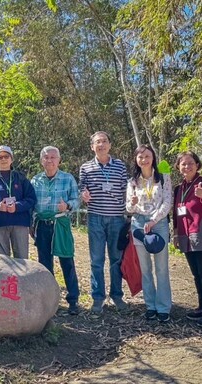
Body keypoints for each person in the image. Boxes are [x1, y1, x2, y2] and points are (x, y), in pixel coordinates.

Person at [79, 131, 128, 314]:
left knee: (116, 259)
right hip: (95, 218)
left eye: (104, 141)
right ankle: (98, 298)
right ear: (92, 146)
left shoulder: (120, 166)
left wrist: (130, 213)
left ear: (110, 145)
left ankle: (117, 295)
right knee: (97, 260)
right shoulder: (86, 167)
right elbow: (82, 187)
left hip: (116, 218)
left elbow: (126, 190)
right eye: (97, 142)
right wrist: (83, 194)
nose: (101, 144)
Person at [173, 151, 202, 328]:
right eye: (183, 164)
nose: (187, 166)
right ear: (178, 167)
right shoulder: (179, 188)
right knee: (196, 273)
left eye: (190, 163)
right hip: (187, 236)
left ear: (197, 165)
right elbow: (176, 212)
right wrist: (176, 233)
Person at [31, 146, 80, 314]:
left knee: (67, 260)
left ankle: (73, 300)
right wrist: (32, 225)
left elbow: (77, 199)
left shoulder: (68, 179)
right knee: (44, 263)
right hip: (42, 224)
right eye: (46, 157)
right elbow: (31, 204)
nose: (49, 160)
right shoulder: (35, 180)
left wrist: (67, 205)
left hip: (60, 223)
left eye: (53, 157)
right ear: (41, 160)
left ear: (59, 160)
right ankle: (49, 301)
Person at [126, 145, 172, 322]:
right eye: (140, 157)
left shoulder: (162, 177)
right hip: (138, 224)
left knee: (161, 268)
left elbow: (167, 201)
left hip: (158, 224)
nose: (144, 159)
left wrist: (154, 220)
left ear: (152, 156)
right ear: (136, 160)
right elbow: (128, 208)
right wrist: (133, 202)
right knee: (145, 269)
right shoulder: (132, 181)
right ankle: (150, 306)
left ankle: (163, 307)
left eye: (147, 156)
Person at [0, 145, 37, 259]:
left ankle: (23, 278)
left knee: (22, 260)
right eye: (0, 157)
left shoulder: (21, 178)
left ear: (11, 159)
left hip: (20, 223)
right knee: (2, 261)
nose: (3, 159)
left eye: (6, 156)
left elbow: (31, 198)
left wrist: (17, 207)